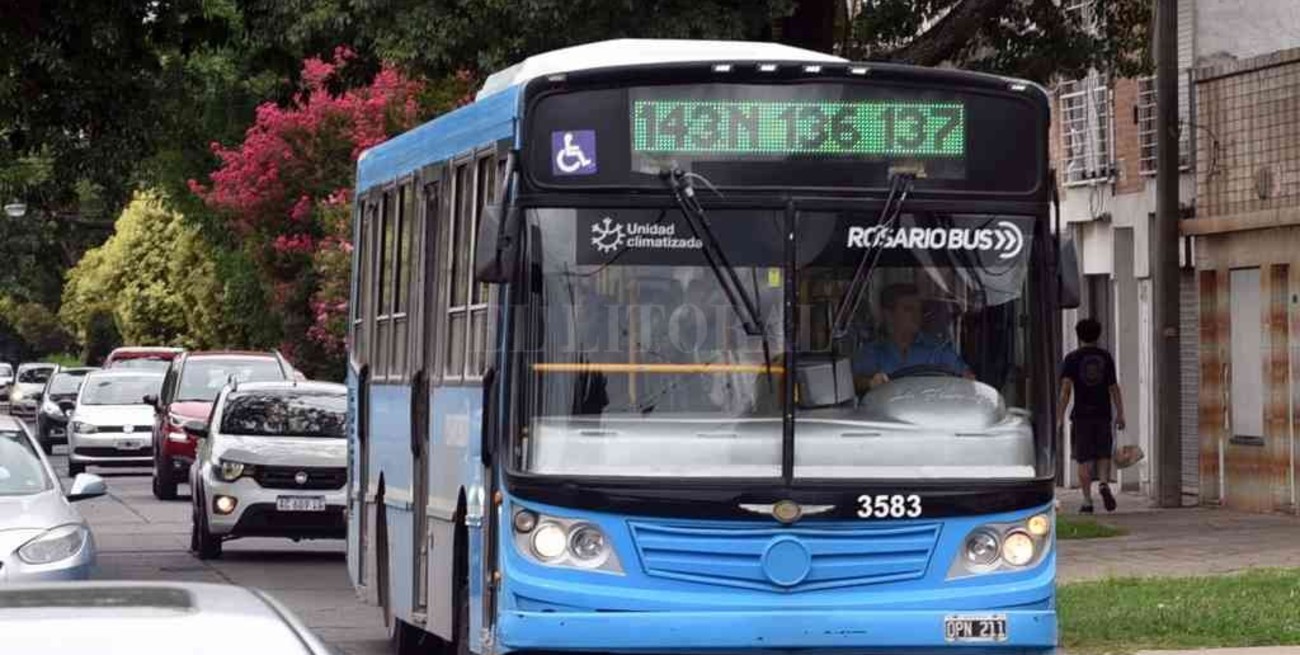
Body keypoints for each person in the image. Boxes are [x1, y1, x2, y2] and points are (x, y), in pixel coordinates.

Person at [852, 283, 974, 394]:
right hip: (884, 415)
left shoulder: (938, 348)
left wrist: (961, 381)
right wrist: (870, 382)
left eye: (919, 309)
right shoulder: (873, 351)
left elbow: (968, 380)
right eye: (908, 309)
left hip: (933, 412)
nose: (917, 315)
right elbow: (854, 382)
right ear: (889, 314)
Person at [1058, 318, 1126, 513]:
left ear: (1078, 335)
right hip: (1103, 413)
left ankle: (1087, 500)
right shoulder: (1106, 357)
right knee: (1103, 453)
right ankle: (1104, 483)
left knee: (1083, 458)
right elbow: (1114, 387)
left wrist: (1059, 416)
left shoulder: (1072, 359)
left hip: (1081, 415)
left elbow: (1065, 390)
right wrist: (1120, 413)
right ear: (1098, 335)